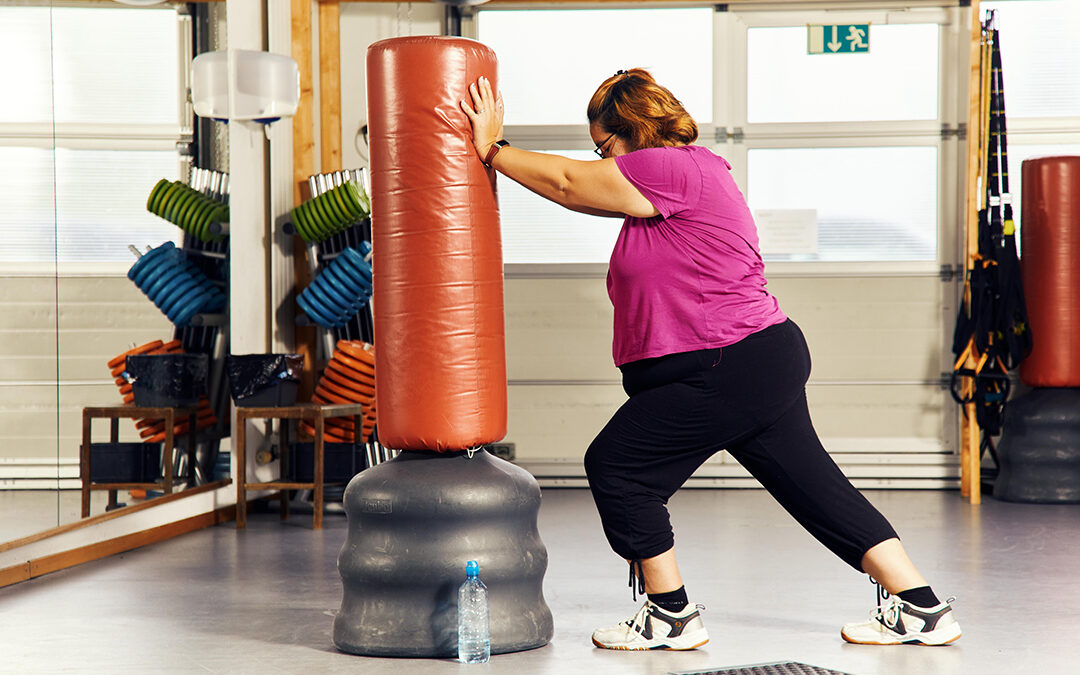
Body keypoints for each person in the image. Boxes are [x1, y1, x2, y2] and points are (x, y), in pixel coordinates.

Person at [460, 69, 962, 651]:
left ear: (634, 130)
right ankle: (920, 606)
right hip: (751, 359)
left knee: (620, 468)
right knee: (813, 487)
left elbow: (573, 184)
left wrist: (492, 149)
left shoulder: (671, 165)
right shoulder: (674, 183)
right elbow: (585, 194)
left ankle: (669, 614)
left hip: (727, 362)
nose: (602, 160)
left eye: (604, 146)